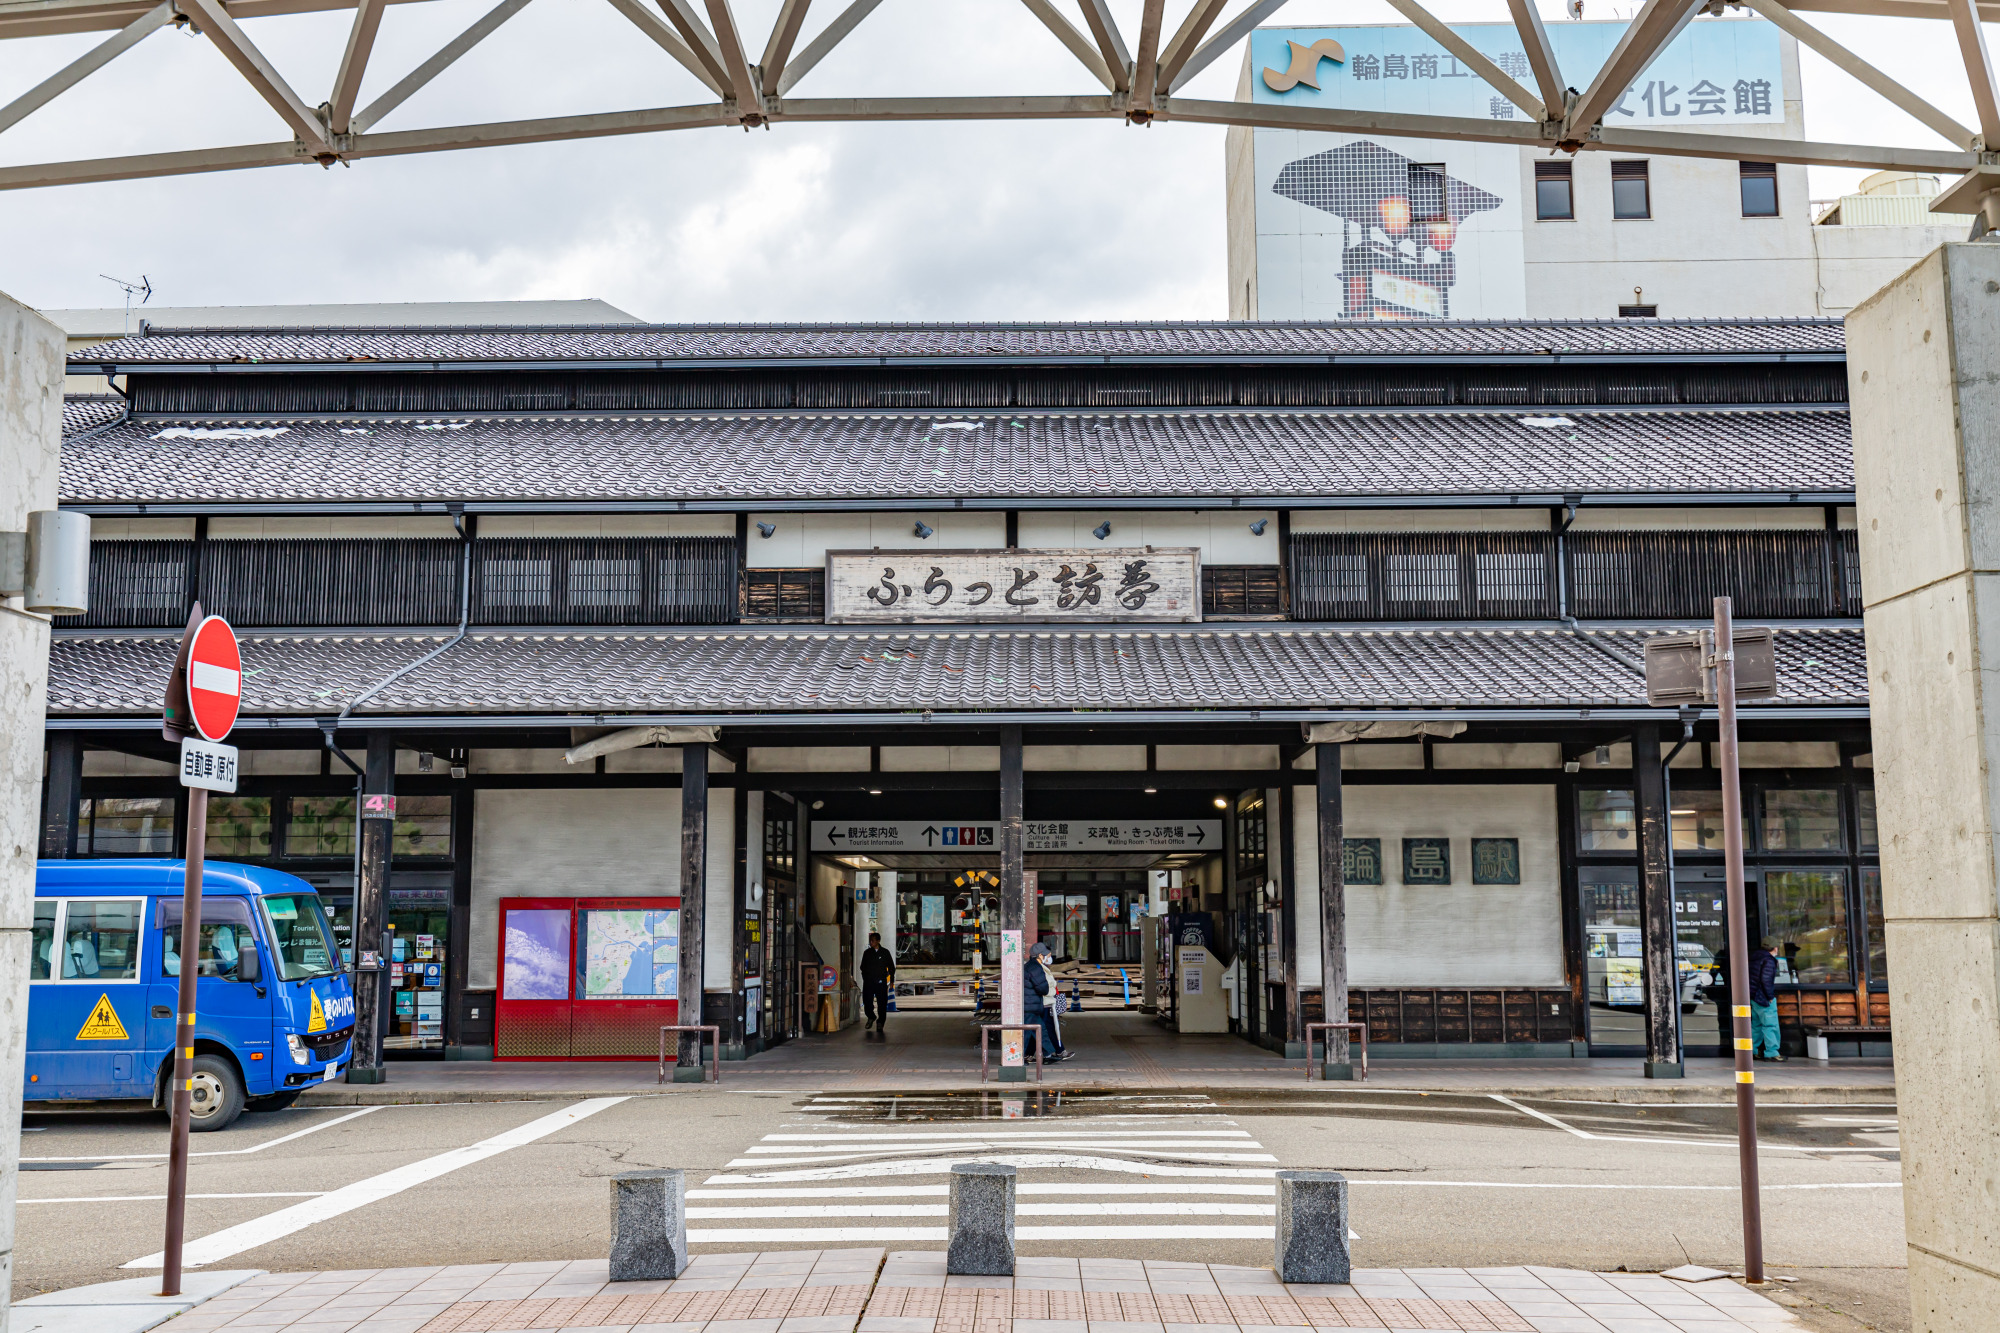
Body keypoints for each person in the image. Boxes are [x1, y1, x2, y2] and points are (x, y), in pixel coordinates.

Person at [1026, 941, 1068, 1063]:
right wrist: (1052, 992)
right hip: (1041, 1003)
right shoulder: (1036, 968)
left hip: (1042, 1003)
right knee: (1043, 1029)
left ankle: (1033, 1054)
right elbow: (1042, 988)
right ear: (1040, 956)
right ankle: (1051, 1053)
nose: (1050, 958)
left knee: (1040, 1029)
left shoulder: (1037, 967)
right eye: (1048, 956)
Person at [1750, 937, 1784, 1061]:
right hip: (1763, 997)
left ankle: (1752, 1051)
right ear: (1774, 948)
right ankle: (1772, 1053)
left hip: (1753, 997)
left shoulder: (1754, 957)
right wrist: (1769, 996)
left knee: (1756, 1026)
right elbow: (1766, 980)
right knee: (1770, 1025)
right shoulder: (1769, 960)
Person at [859, 931, 896, 1033]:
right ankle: (871, 1016)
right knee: (867, 1001)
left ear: (878, 941)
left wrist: (891, 980)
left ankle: (880, 1022)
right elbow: (862, 967)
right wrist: (865, 977)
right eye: (870, 941)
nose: (871, 942)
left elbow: (891, 967)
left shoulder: (885, 952)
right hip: (869, 982)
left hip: (881, 982)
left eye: (873, 941)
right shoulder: (867, 953)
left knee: (882, 1003)